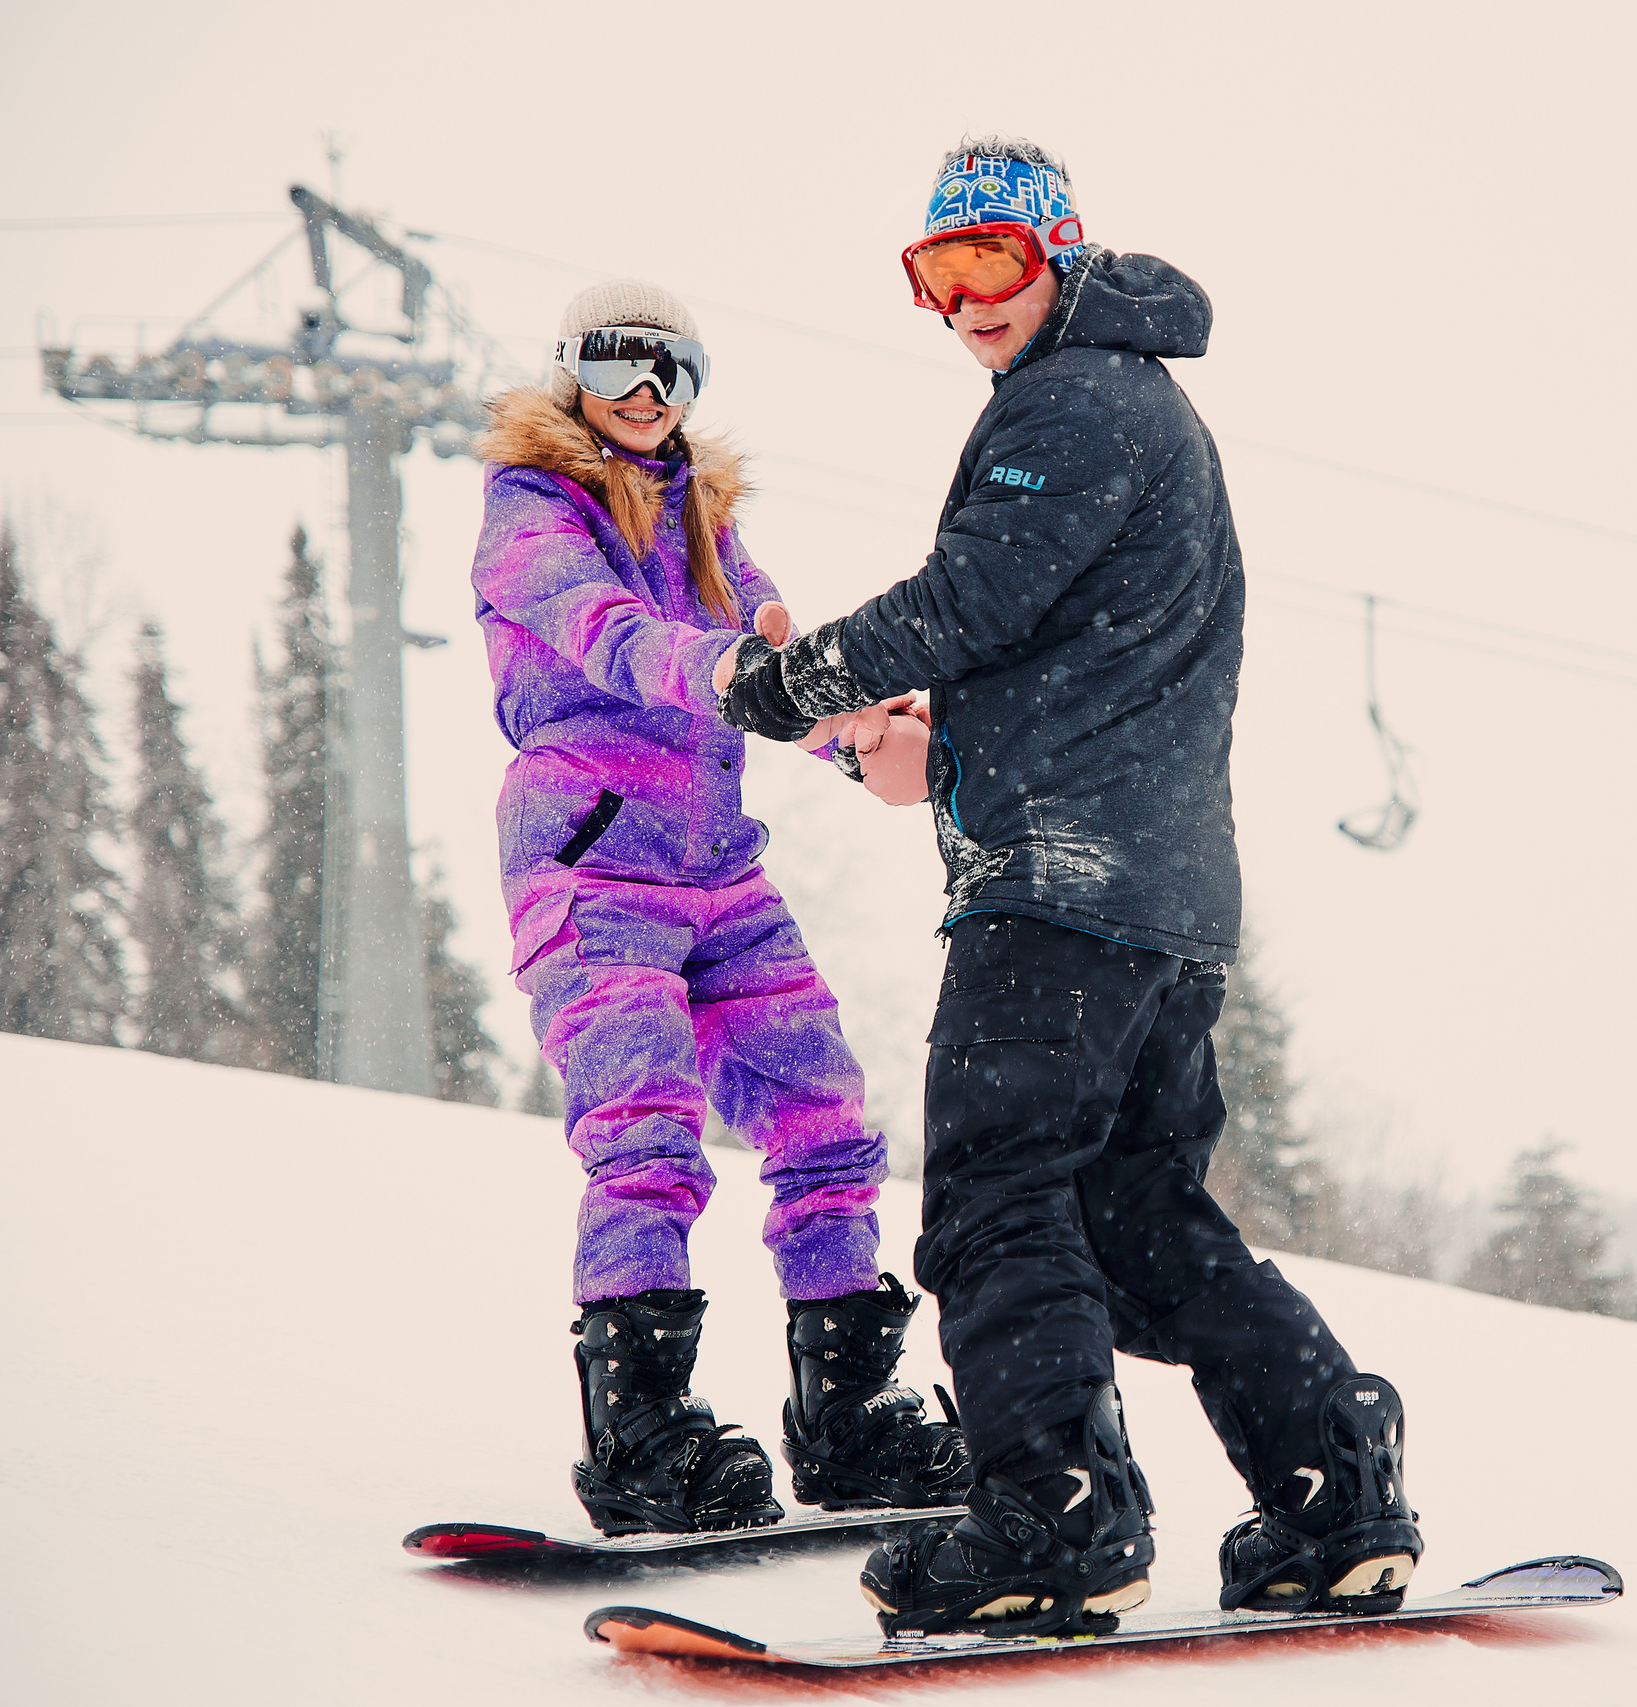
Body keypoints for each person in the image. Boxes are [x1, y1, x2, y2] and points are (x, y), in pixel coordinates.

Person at [719, 139, 1421, 1634]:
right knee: (1133, 1214)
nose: (966, 300)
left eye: (991, 262)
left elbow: (967, 599)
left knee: (993, 1199)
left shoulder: (1075, 397)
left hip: (1060, 890)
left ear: (1060, 253)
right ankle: (1331, 1486)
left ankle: (1056, 1514)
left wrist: (795, 682)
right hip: (1154, 891)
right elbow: (1050, 651)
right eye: (935, 273)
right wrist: (905, 747)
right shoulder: (1132, 400)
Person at [469, 279, 960, 1535]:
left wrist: (858, 733)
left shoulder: (705, 518)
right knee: (644, 1130)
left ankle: (846, 1416)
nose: (643, 396)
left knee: (822, 1115)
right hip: (592, 865)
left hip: (718, 870)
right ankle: (640, 1431)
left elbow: (769, 661)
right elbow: (611, 635)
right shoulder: (531, 512)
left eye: (670, 374)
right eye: (615, 366)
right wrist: (735, 669)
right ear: (570, 375)